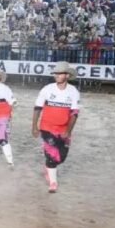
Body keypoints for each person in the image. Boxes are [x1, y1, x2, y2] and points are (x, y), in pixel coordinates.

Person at [32, 62, 81, 193]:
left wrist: (68, 131)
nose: (57, 76)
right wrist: (34, 127)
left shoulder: (73, 91)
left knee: (61, 157)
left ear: (67, 75)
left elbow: (74, 113)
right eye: (55, 73)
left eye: (60, 74)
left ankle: (48, 167)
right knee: (52, 155)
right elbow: (37, 108)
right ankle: (53, 183)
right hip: (47, 127)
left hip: (63, 128)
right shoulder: (47, 89)